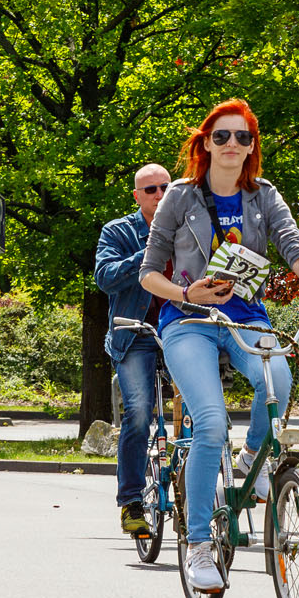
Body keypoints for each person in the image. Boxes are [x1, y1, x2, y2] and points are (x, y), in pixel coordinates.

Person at [140, 101, 299, 592]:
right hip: (189, 318)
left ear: (253, 146)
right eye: (223, 136)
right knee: (210, 422)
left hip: (246, 317)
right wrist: (186, 292)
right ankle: (198, 547)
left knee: (277, 379)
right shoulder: (181, 197)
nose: (233, 145)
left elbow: (296, 250)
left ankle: (252, 456)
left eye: (244, 137)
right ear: (206, 142)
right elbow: (149, 273)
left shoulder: (264, 195)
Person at [95, 162, 173, 537]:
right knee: (140, 413)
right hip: (135, 334)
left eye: (165, 188)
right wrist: (148, 251)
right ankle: (131, 502)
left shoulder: (189, 223)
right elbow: (105, 278)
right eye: (151, 190)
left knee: (203, 413)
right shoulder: (119, 231)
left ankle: (199, 493)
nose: (159, 195)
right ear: (137, 196)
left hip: (182, 330)